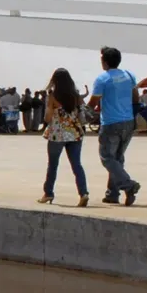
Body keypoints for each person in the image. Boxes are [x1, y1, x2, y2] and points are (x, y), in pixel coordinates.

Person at [89, 46, 141, 206]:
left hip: (111, 123)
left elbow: (93, 103)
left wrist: (84, 112)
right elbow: (135, 97)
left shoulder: (102, 79)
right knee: (117, 159)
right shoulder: (129, 75)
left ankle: (128, 185)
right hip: (128, 121)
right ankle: (112, 194)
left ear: (104, 61)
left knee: (107, 157)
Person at [38, 67, 89, 207]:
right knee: (77, 164)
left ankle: (48, 193)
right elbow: (82, 114)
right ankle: (83, 193)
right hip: (75, 132)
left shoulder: (53, 96)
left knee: (53, 165)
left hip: (57, 134)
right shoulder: (76, 96)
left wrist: (50, 114)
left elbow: (48, 117)